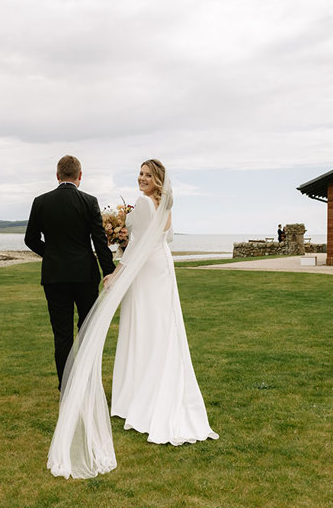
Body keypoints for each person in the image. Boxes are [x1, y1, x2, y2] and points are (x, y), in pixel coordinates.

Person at [47, 159, 217, 479]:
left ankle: (137, 396)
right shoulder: (164, 203)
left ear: (157, 180)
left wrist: (116, 271)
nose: (141, 179)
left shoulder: (142, 202)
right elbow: (165, 240)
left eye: (147, 175)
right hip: (162, 268)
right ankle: (152, 386)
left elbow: (137, 242)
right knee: (160, 328)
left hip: (145, 269)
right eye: (140, 174)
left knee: (141, 328)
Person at [24, 155, 115, 391]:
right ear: (80, 176)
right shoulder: (89, 202)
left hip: (55, 277)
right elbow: (100, 241)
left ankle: (66, 387)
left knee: (62, 334)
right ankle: (85, 384)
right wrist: (110, 271)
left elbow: (30, 239)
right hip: (85, 276)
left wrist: (51, 254)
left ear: (57, 176)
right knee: (86, 330)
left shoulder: (40, 202)